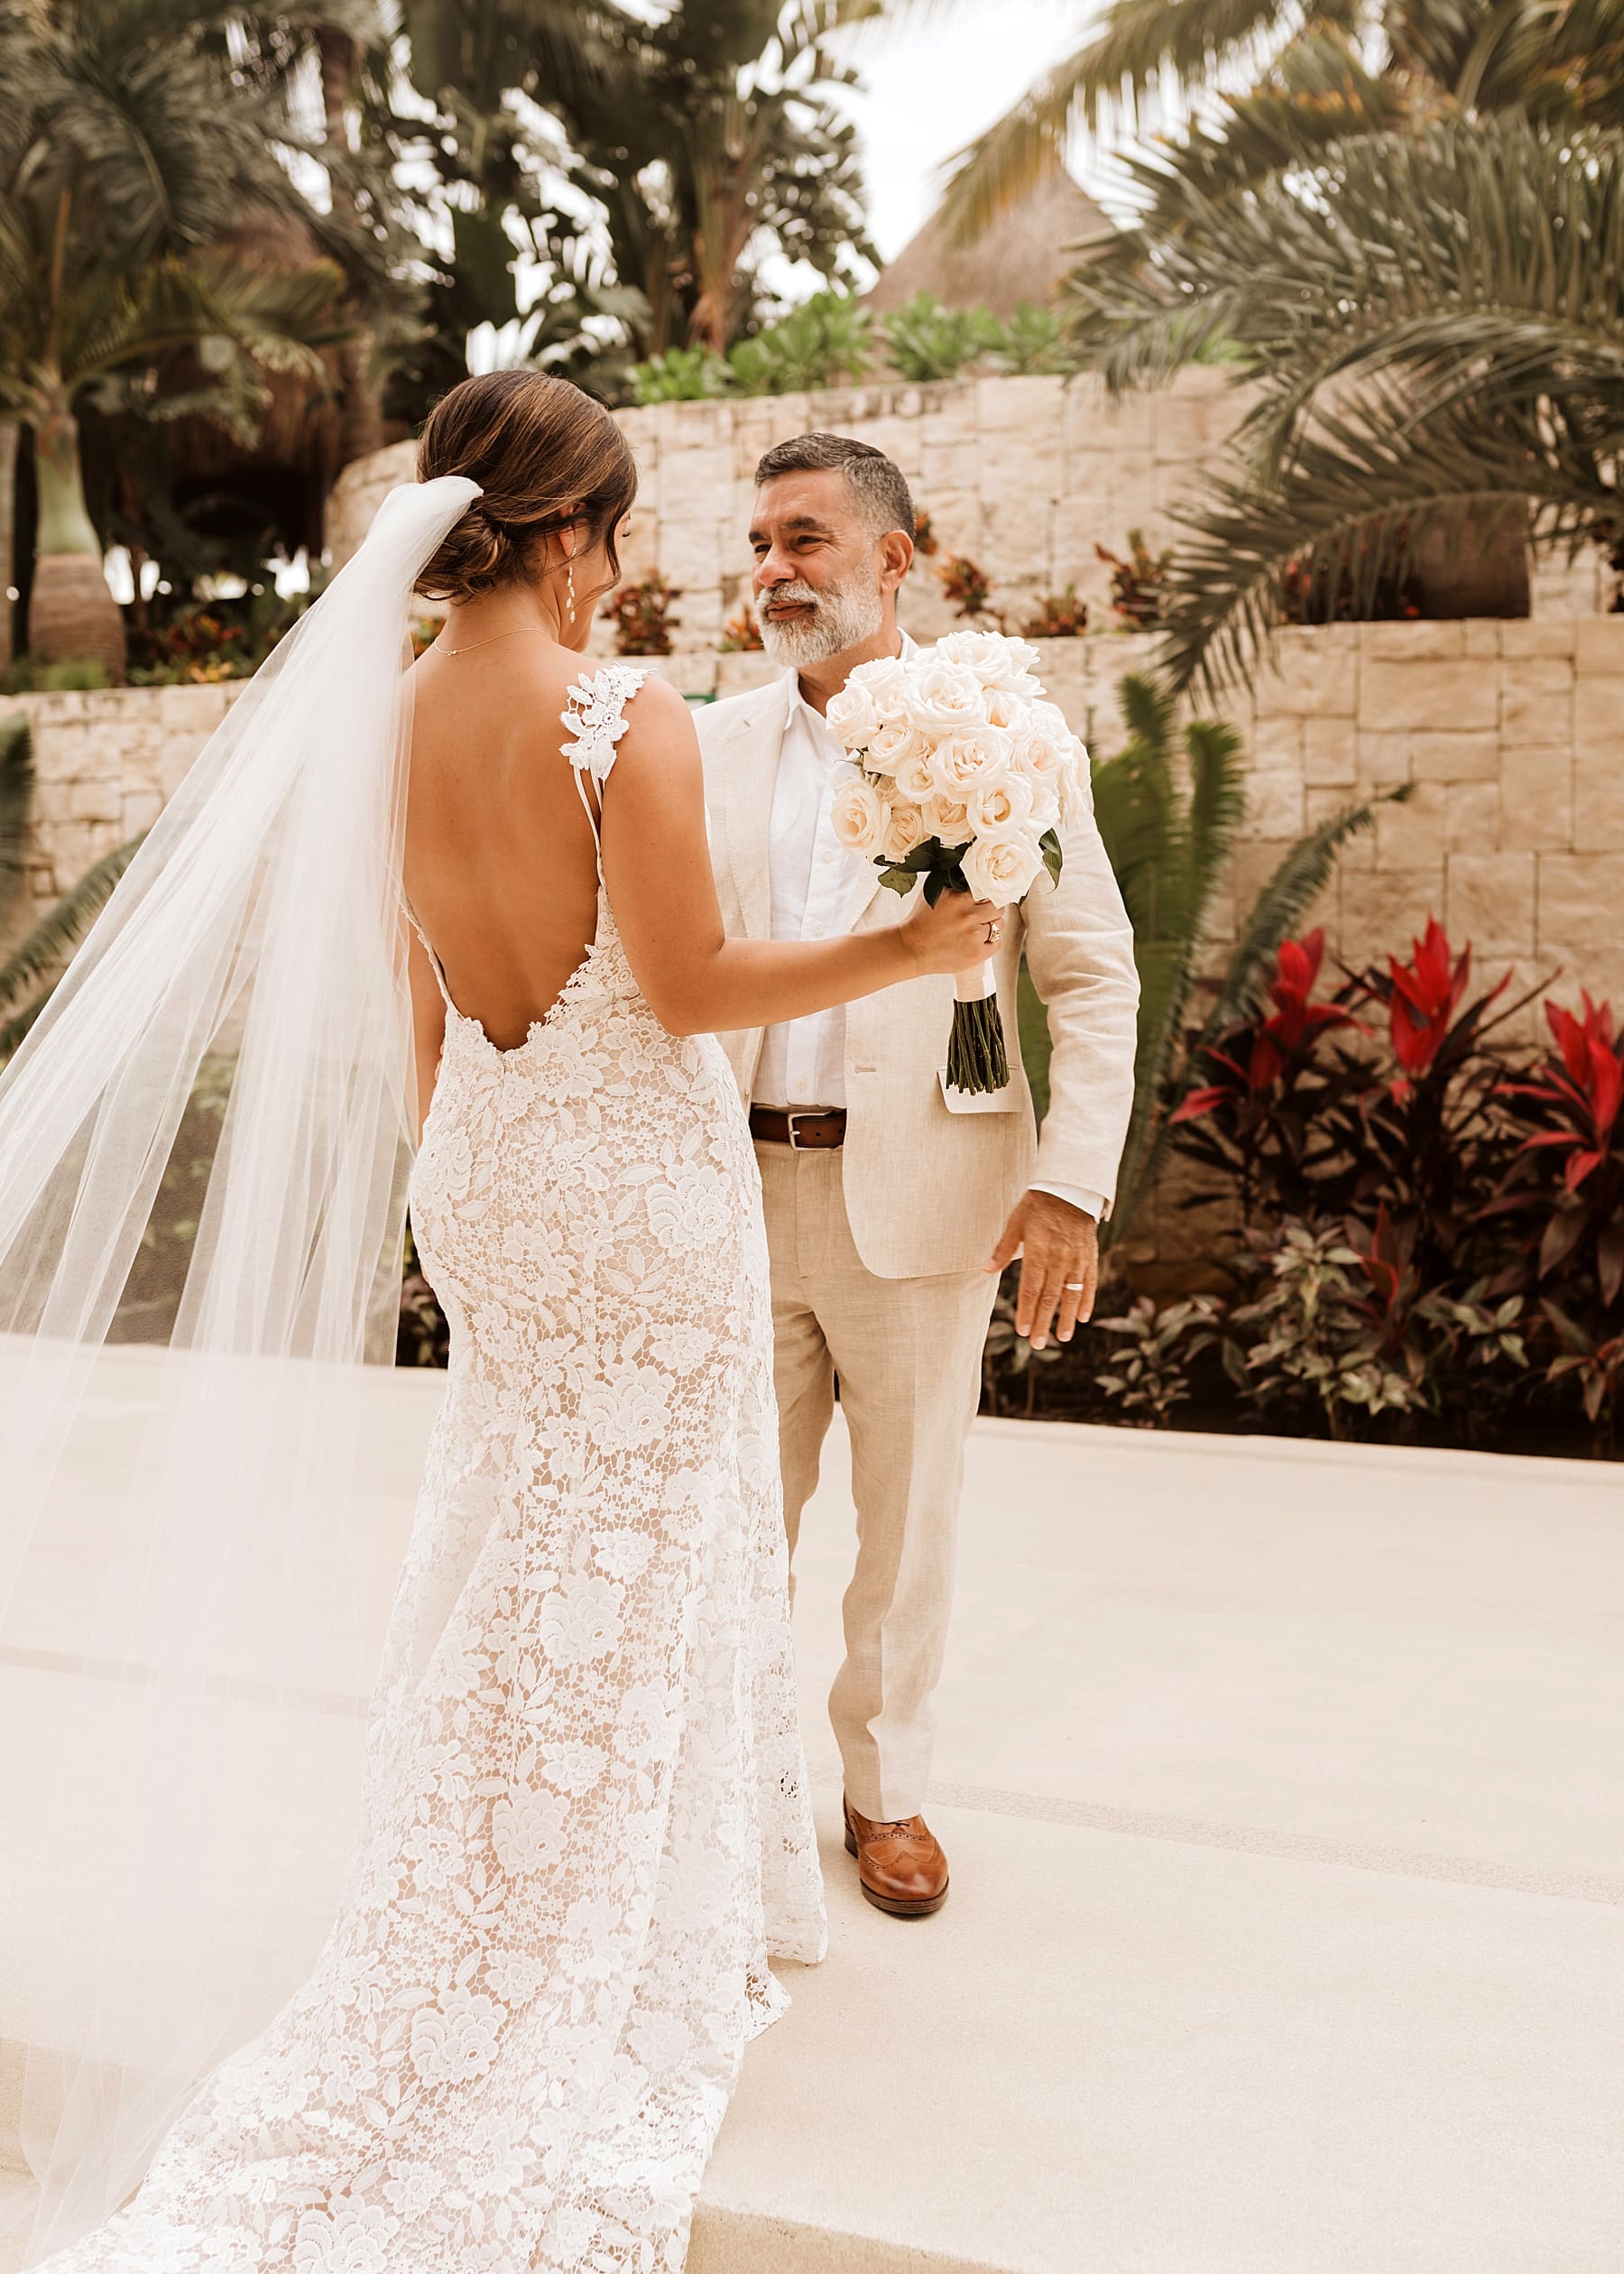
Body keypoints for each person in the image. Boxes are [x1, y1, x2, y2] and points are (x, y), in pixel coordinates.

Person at [0, 373, 999, 2273]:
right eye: (620, 534)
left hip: (487, 1161)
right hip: (632, 1176)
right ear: (566, 528)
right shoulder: (621, 721)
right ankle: (578, 1925)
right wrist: (908, 946)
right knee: (634, 1551)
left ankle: (472, 1886)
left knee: (520, 1535)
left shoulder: (380, 719)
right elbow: (692, 986)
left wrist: (455, 1171)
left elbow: (417, 986)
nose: (629, 576)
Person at [697, 433, 1140, 1918]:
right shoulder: (705, 749)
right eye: (760, 544)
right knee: (733, 1518)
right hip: (734, 1196)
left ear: (896, 558)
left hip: (933, 1197)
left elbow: (1091, 974)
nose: (774, 571)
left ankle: (883, 1798)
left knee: (908, 1525)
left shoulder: (1014, 736)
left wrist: (1070, 1186)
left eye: (807, 540)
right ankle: (731, 1789)